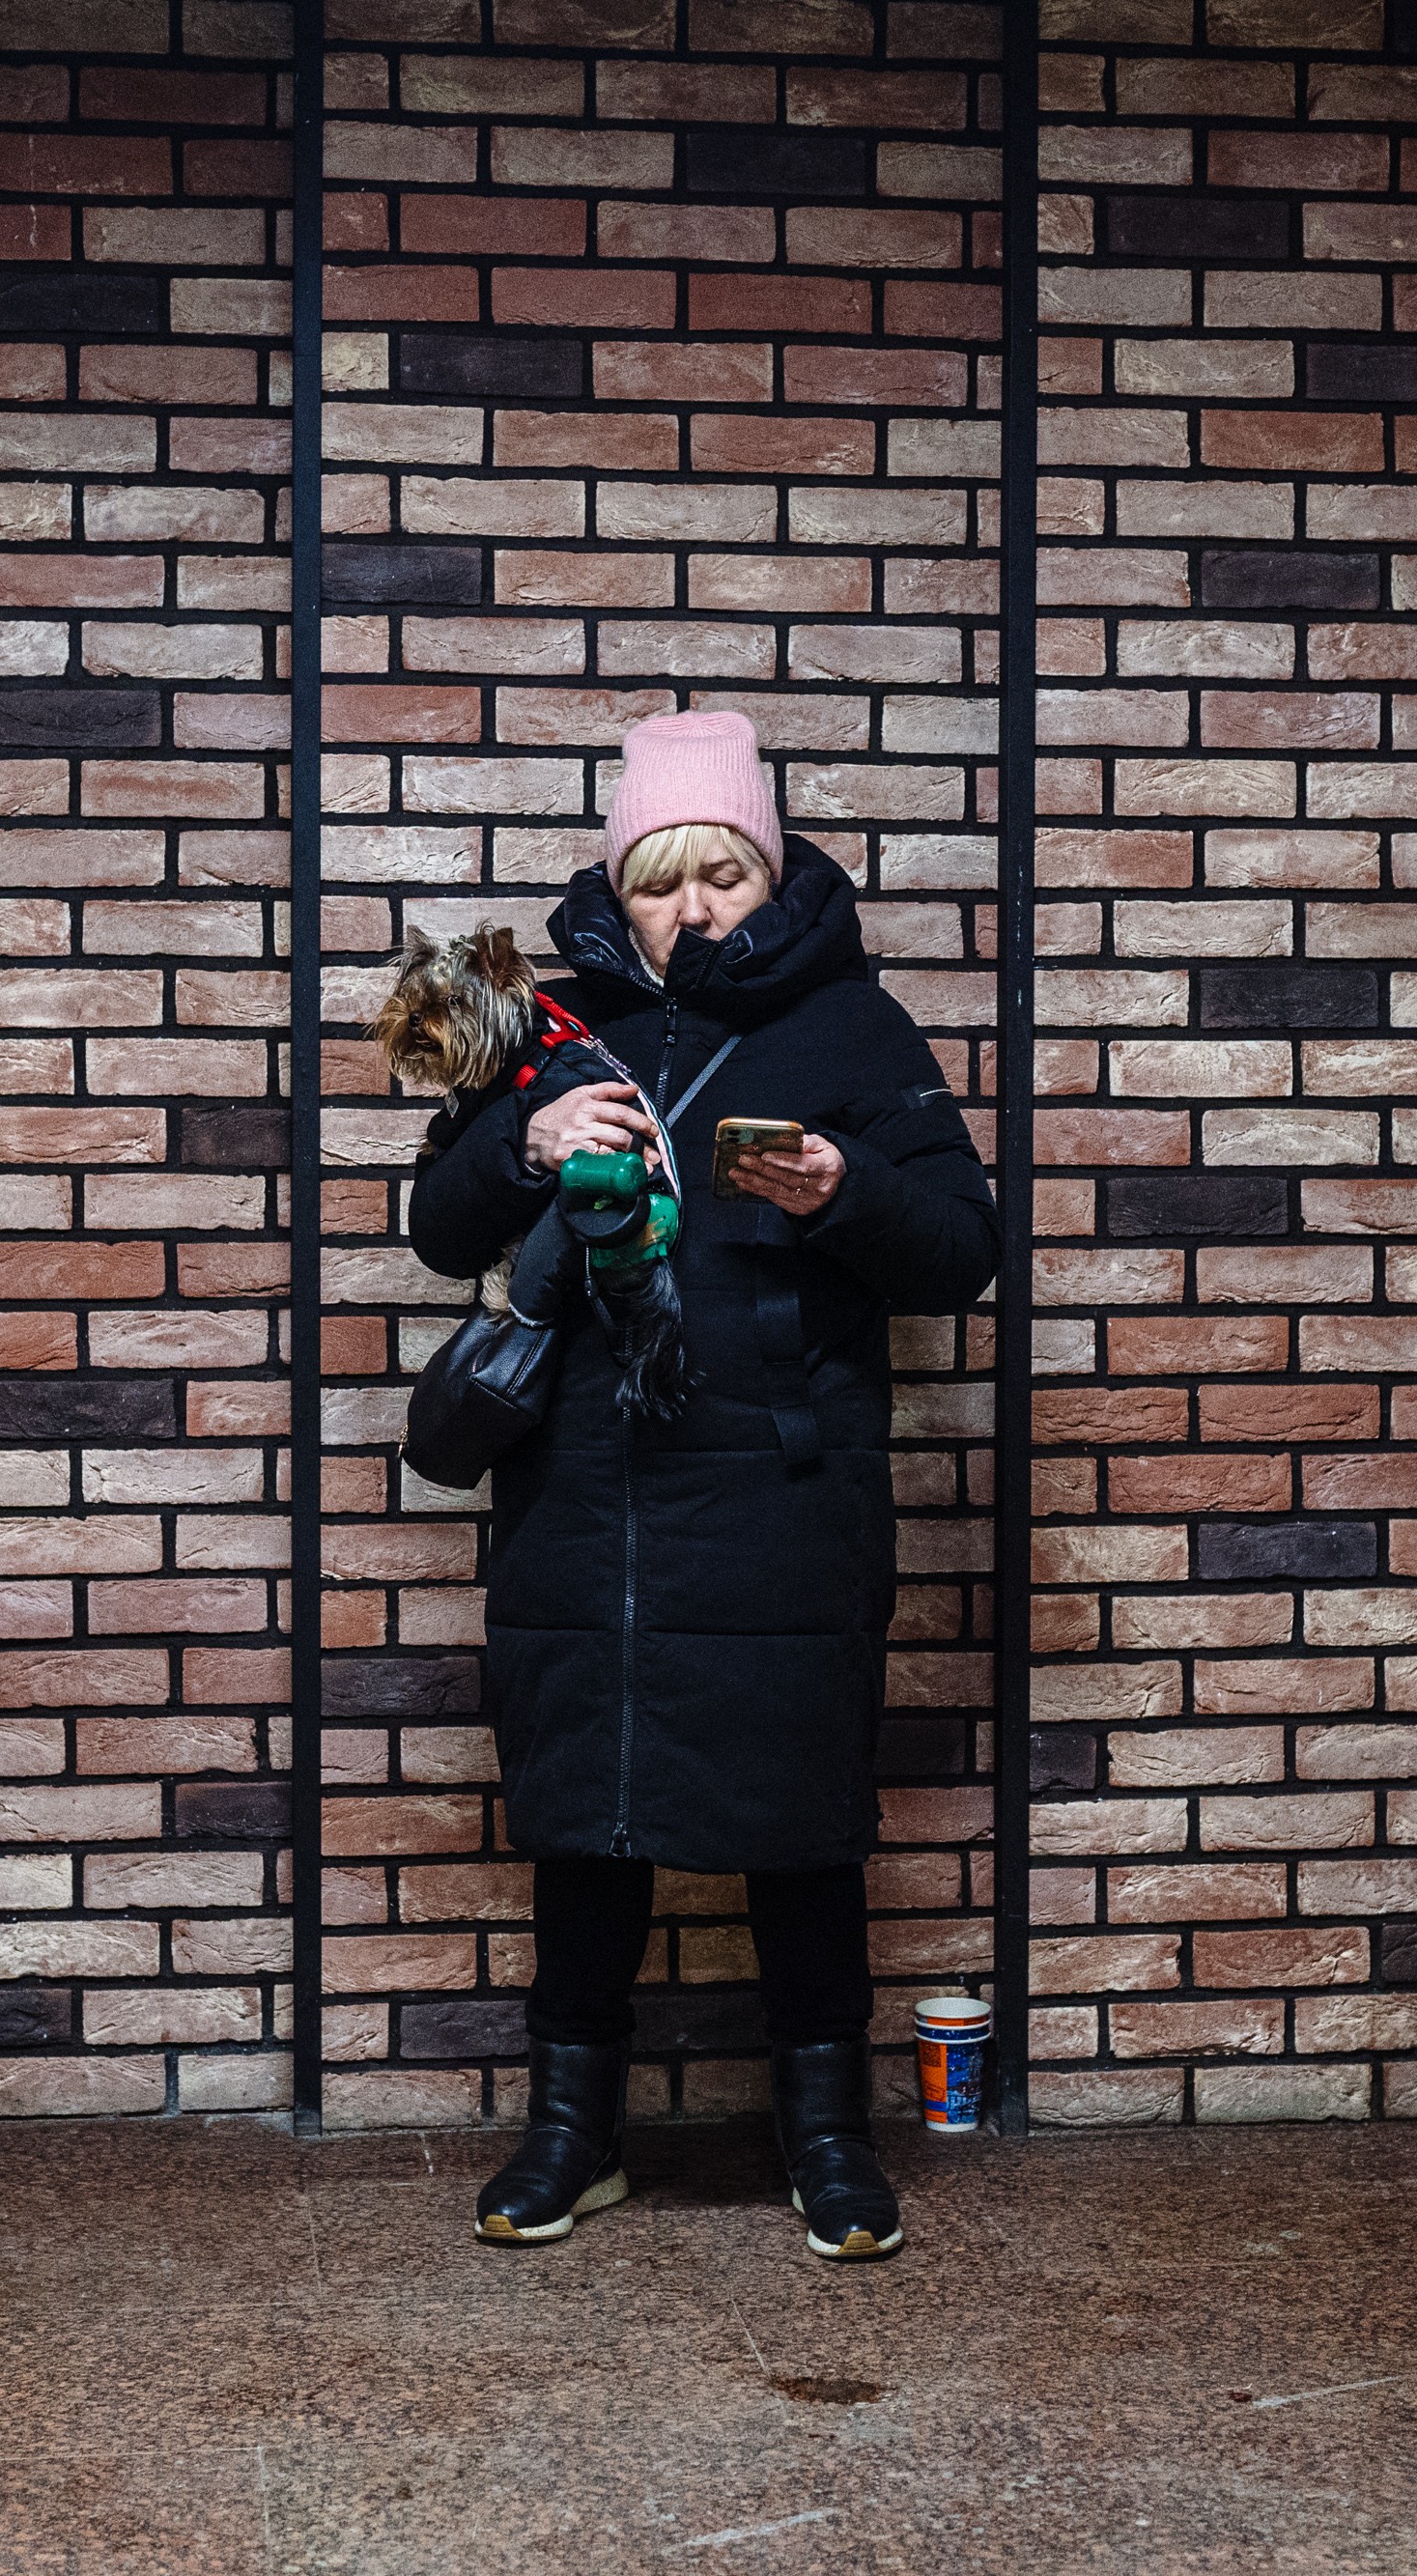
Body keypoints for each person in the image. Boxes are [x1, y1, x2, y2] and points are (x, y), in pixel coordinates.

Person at [406, 709, 999, 2261]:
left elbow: (964, 1249)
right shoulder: (550, 1022)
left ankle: (827, 2138)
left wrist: (842, 1188)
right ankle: (568, 2133)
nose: (694, 912)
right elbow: (435, 1224)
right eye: (663, 879)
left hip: (781, 1488)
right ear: (623, 884)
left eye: (722, 875)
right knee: (586, 1817)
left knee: (799, 1815)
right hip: (583, 1485)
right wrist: (525, 1145)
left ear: (770, 870)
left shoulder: (853, 1026)